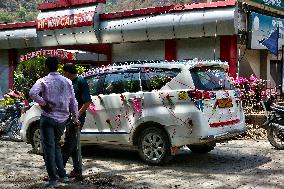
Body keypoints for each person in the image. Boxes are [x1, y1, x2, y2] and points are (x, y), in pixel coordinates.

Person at [29, 57, 79, 188]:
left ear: (46, 67)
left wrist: (44, 104)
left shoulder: (43, 80)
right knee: (56, 145)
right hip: (62, 119)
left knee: (48, 148)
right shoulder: (67, 81)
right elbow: (73, 102)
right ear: (58, 67)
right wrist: (75, 118)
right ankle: (63, 175)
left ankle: (53, 179)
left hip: (48, 118)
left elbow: (32, 93)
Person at [61, 63, 92, 179]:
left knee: (68, 145)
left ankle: (57, 170)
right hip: (68, 117)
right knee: (73, 145)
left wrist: (77, 116)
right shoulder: (68, 83)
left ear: (68, 72)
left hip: (77, 119)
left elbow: (87, 102)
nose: (64, 75)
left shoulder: (81, 82)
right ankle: (77, 170)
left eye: (64, 73)